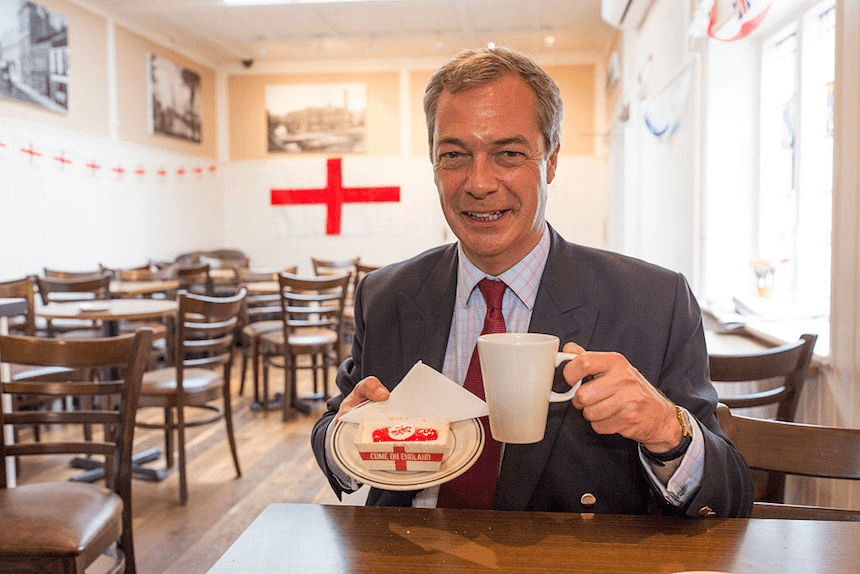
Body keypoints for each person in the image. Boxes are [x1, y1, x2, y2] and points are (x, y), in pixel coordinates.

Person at [311, 47, 753, 517]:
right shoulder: (386, 295)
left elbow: (731, 498)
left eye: (508, 154)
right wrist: (345, 440)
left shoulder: (652, 302)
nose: (478, 183)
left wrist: (668, 430)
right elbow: (336, 427)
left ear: (552, 161)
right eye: (454, 155)